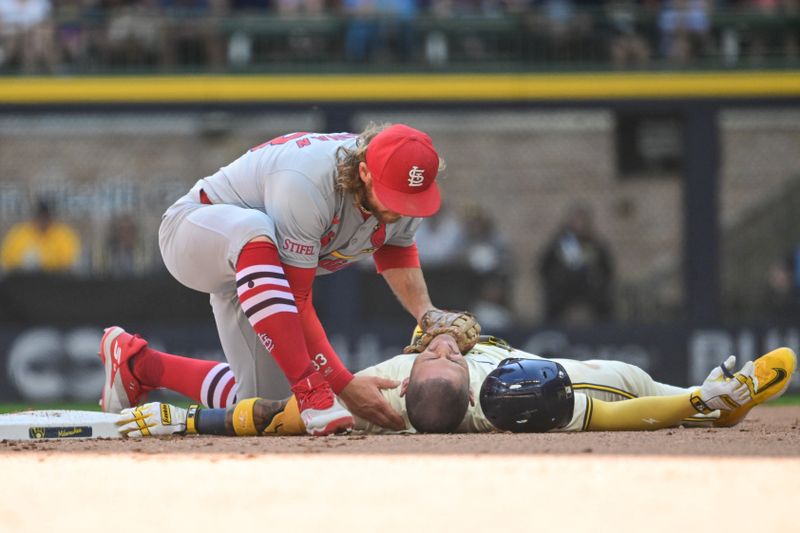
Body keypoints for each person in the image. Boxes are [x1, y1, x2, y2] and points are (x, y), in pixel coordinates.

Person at [100, 123, 455, 437]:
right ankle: (309, 392)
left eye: (412, 199)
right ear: (363, 171)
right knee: (255, 228)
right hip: (194, 232)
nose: (403, 209)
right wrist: (339, 385)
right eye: (394, 196)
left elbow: (396, 249)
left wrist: (427, 314)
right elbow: (298, 299)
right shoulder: (309, 181)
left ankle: (136, 364)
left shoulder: (404, 191)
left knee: (268, 408)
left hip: (259, 280)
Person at [115, 333, 796, 437]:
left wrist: (186, 422)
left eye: (431, 352)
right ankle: (709, 402)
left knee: (247, 380)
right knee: (627, 386)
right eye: (442, 353)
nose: (439, 347)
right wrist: (695, 408)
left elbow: (273, 414)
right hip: (545, 375)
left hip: (513, 364)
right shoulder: (498, 401)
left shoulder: (385, 386)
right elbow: (616, 414)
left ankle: (139, 362)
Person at [538, 203, 614, 323]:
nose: (579, 225)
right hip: (563, 288)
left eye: (582, 221)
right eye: (575, 221)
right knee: (553, 302)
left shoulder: (595, 244)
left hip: (589, 287)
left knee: (604, 301)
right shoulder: (559, 244)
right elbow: (543, 267)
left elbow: (607, 269)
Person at [0, 198, 81, 273]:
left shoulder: (64, 235)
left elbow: (69, 264)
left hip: (56, 283)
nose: (43, 220)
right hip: (23, 282)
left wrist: (45, 263)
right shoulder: (18, 235)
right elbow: (7, 262)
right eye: (40, 216)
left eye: (46, 217)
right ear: (34, 217)